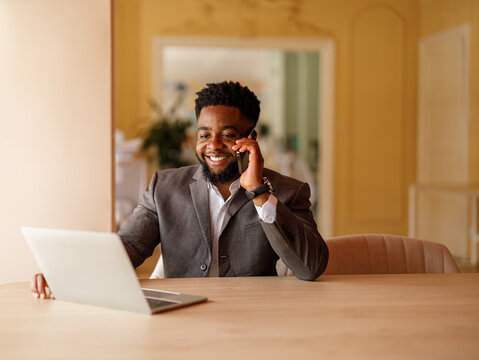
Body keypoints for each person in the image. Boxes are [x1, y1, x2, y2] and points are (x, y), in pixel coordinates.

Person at [30, 81, 329, 299]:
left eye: (227, 135)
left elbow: (311, 267)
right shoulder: (165, 187)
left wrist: (259, 193)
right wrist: (68, 274)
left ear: (250, 139)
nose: (212, 146)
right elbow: (130, 244)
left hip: (252, 322)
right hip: (180, 319)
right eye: (204, 135)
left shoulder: (289, 192)